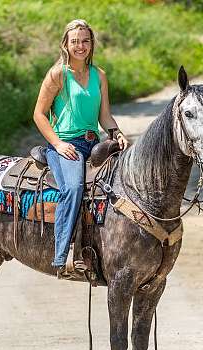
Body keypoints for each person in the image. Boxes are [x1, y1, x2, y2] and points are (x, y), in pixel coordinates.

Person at [32, 19, 130, 276]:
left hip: (93, 143)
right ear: (66, 43)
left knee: (121, 182)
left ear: (91, 44)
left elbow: (105, 115)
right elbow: (39, 114)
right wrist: (58, 143)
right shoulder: (58, 74)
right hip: (66, 144)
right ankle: (62, 255)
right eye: (75, 41)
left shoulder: (99, 75)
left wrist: (115, 132)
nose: (80, 46)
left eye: (85, 41)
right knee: (73, 187)